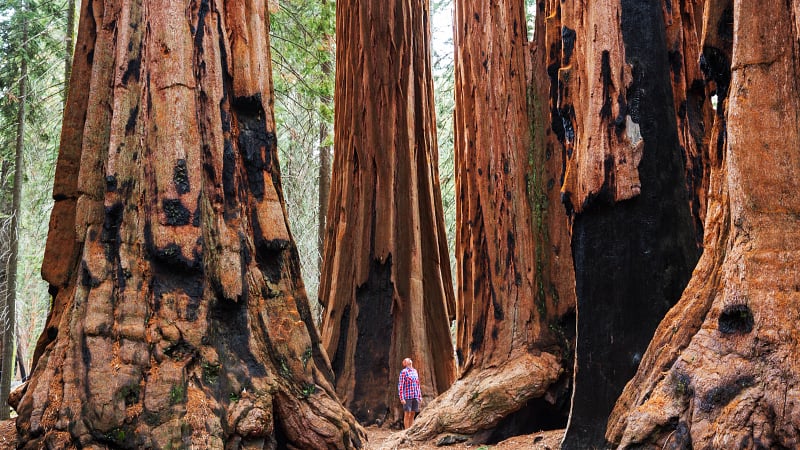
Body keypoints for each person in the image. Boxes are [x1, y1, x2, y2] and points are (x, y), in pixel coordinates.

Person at [397, 357, 422, 429]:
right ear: (404, 363)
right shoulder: (403, 372)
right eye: (406, 360)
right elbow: (400, 385)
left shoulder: (415, 371)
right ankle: (406, 431)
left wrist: (419, 396)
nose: (409, 360)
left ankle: (410, 429)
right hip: (407, 396)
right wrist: (401, 398)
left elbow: (417, 384)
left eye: (409, 359)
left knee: (413, 413)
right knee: (407, 413)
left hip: (415, 395)